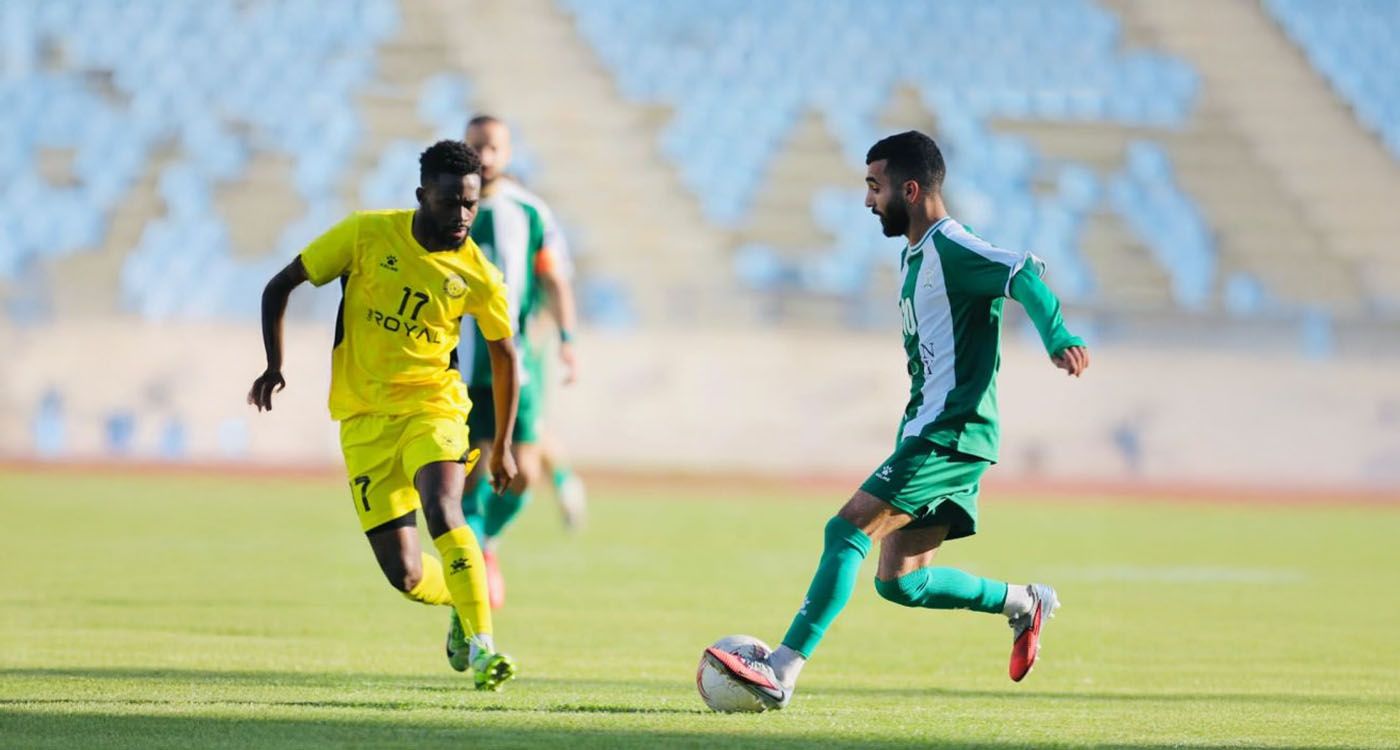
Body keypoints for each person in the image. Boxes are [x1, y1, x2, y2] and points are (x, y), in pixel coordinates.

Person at [704, 131, 1090, 709]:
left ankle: (782, 669)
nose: (867, 201)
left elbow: (1025, 274)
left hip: (950, 434)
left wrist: (1059, 336)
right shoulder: (914, 257)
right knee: (902, 581)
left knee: (846, 529)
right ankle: (1023, 602)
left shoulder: (953, 249)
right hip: (930, 431)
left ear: (909, 189)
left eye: (873, 187)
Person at [247, 140, 521, 691]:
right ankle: (460, 603)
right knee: (408, 574)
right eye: (450, 203)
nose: (462, 216)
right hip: (365, 420)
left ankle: (485, 646)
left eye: (470, 204)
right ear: (422, 196)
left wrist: (502, 445)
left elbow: (504, 352)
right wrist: (274, 364)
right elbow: (280, 285)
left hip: (433, 407)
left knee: (443, 507)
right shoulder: (366, 235)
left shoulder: (478, 274)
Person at [457, 115, 582, 609]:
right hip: (459, 367)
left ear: (506, 152)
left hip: (518, 364)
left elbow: (555, 278)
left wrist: (568, 338)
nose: (484, 157)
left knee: (523, 472)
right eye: (475, 148)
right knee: (467, 475)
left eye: (492, 148)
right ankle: (469, 586)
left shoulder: (529, 211)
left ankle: (487, 540)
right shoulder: (446, 208)